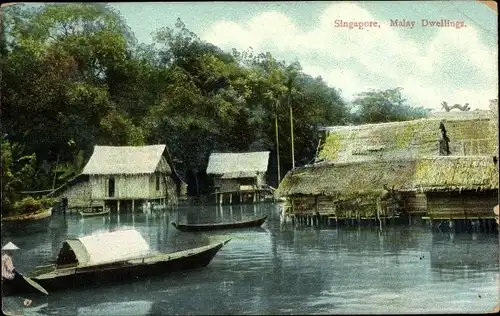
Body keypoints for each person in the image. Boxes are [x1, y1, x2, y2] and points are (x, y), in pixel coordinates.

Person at [1, 242, 32, 307]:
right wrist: (20, 274)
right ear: (10, 250)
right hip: (7, 279)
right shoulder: (7, 257)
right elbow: (11, 269)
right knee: (20, 279)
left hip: (3, 278)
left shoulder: (2, 257)